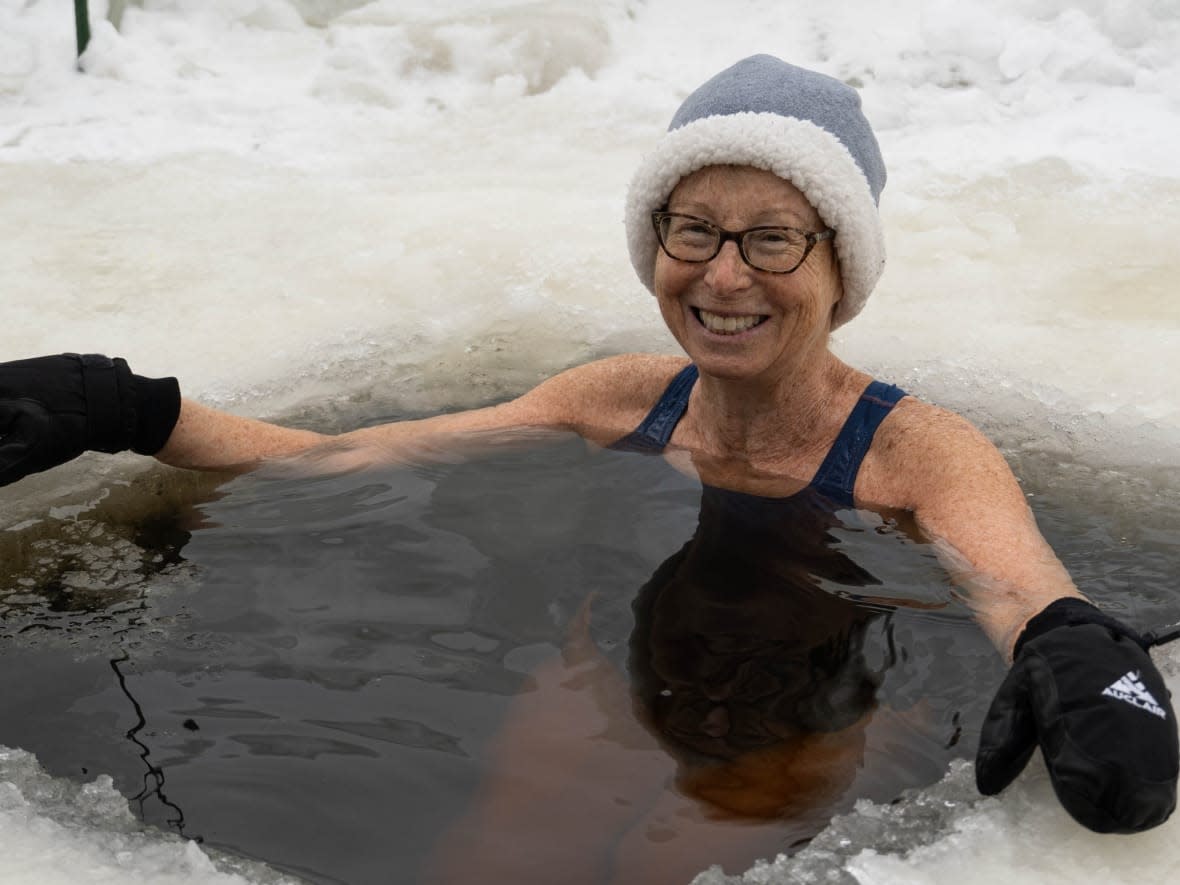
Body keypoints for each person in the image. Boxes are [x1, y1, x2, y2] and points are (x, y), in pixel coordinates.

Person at [1, 55, 1177, 842]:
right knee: (493, 859)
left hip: (798, 718)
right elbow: (342, 459)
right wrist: (126, 409)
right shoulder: (619, 398)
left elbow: (1019, 585)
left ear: (838, 265)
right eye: (693, 229)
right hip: (638, 681)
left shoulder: (913, 448)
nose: (723, 275)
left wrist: (1080, 658)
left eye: (772, 240)